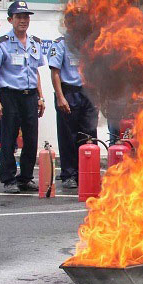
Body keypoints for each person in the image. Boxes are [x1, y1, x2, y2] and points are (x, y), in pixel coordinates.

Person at [0, 1, 47, 193]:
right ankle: (9, 179)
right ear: (10, 20)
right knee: (9, 138)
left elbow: (35, 72)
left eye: (26, 17)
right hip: (9, 96)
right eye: (19, 17)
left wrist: (41, 96)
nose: (23, 20)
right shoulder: (1, 43)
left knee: (31, 139)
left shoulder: (35, 42)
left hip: (30, 96)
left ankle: (26, 177)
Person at [48, 28, 98, 189]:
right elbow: (55, 72)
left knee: (89, 135)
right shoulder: (60, 44)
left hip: (88, 93)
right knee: (68, 136)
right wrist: (60, 97)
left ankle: (87, 172)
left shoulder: (90, 44)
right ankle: (69, 174)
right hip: (69, 92)